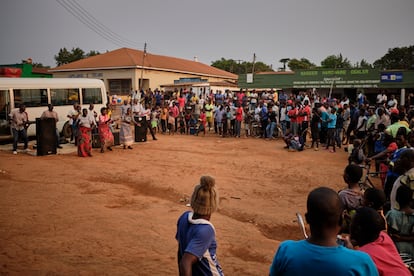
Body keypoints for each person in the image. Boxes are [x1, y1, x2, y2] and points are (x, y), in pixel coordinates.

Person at [269, 187, 378, 276]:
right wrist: (352, 253)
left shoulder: (286, 251)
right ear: (341, 219)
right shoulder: (361, 262)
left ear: (307, 219)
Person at [176, 175, 223, 276]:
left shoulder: (184, 218)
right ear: (213, 204)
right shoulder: (206, 230)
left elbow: (181, 253)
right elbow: (185, 262)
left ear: (193, 200)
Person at [349, 207, 411, 276]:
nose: (350, 225)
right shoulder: (384, 237)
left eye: (352, 222)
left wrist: (350, 252)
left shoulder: (362, 256)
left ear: (358, 228)